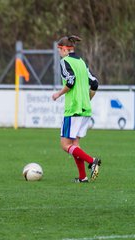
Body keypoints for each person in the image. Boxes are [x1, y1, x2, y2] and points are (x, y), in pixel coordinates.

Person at [52, 35, 101, 183]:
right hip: (85, 109)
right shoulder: (81, 62)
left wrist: (58, 94)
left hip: (73, 109)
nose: (59, 53)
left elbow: (70, 81)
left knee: (65, 145)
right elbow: (95, 83)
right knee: (74, 145)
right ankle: (82, 177)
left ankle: (92, 161)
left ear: (65, 49)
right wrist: (87, 99)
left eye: (59, 50)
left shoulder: (65, 61)